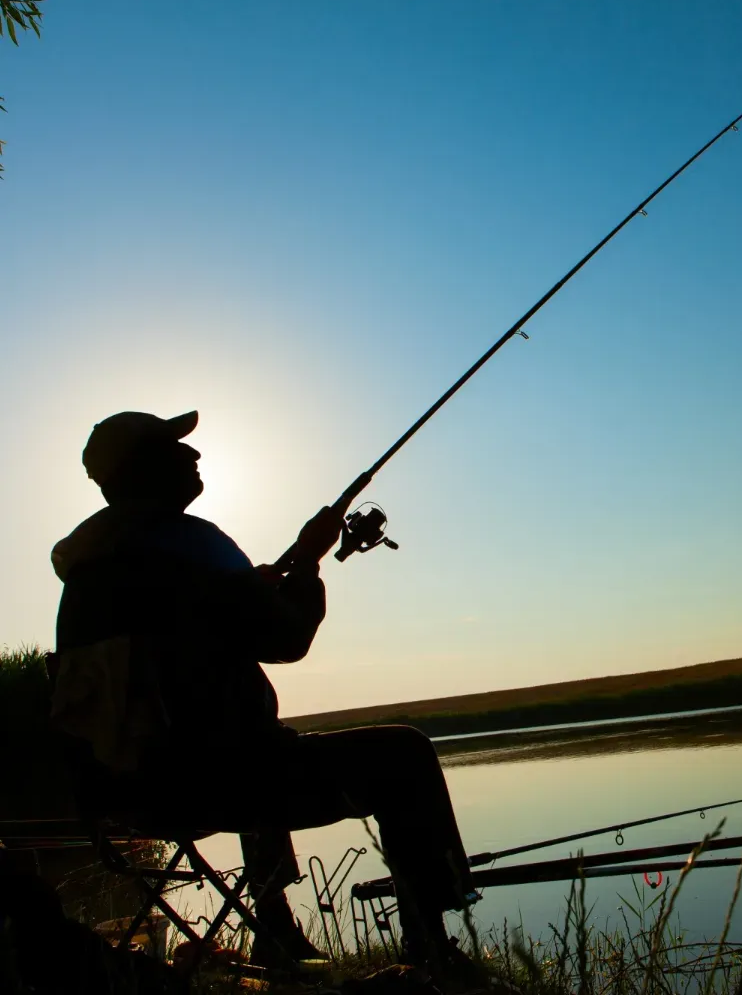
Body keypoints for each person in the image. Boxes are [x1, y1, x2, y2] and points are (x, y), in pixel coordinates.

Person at [50, 410, 479, 983]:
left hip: (126, 793)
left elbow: (192, 629)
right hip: (217, 784)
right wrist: (309, 563)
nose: (194, 456)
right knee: (404, 754)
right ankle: (430, 952)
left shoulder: (87, 571)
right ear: (142, 468)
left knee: (245, 738)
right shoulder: (190, 543)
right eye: (177, 449)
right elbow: (285, 638)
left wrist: (264, 578)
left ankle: (276, 929)